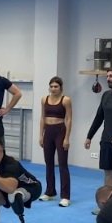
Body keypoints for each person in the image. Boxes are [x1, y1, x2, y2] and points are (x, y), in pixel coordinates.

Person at [39, 76, 72, 207]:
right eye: (51, 86)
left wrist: (67, 138)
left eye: (56, 86)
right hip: (48, 132)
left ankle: (65, 196)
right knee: (49, 163)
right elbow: (42, 117)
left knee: (63, 164)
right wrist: (41, 135)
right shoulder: (44, 99)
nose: (53, 89)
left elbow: (68, 119)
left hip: (60, 131)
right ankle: (50, 191)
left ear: (60, 88)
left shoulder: (66, 100)